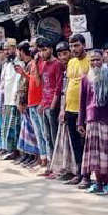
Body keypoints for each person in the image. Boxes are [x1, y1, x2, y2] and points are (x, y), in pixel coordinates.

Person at [77, 49, 108, 193]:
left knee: (107, 153)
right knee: (94, 155)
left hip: (106, 120)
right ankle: (98, 182)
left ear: (103, 60)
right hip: (91, 119)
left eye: (98, 59)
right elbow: (82, 102)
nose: (95, 63)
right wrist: (80, 122)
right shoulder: (85, 79)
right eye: (92, 60)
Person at [49, 41, 78, 180]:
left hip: (73, 107)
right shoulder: (66, 67)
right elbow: (64, 90)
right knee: (63, 139)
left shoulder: (72, 65)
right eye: (60, 54)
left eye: (65, 53)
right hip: (64, 105)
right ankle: (65, 169)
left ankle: (74, 170)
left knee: (73, 141)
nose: (63, 57)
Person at [63, 34, 90, 185]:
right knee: (74, 142)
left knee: (85, 142)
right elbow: (67, 85)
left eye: (77, 45)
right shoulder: (71, 62)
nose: (74, 49)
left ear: (84, 45)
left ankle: (86, 175)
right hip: (69, 107)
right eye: (72, 46)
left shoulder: (90, 61)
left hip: (84, 109)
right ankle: (78, 172)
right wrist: (63, 108)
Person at [37, 38, 65, 176]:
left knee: (55, 137)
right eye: (40, 50)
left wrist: (53, 106)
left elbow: (58, 87)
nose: (42, 53)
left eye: (44, 50)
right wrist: (42, 103)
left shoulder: (57, 64)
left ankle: (58, 167)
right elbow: (43, 85)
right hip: (45, 104)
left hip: (53, 106)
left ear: (51, 49)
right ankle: (51, 164)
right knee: (47, 136)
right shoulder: (42, 64)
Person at [15, 42, 45, 167]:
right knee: (36, 133)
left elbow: (38, 83)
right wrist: (23, 73)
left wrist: (36, 66)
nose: (31, 49)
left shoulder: (41, 63)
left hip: (39, 103)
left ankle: (43, 160)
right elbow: (31, 80)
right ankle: (40, 159)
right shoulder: (32, 63)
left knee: (42, 134)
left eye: (33, 47)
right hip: (31, 102)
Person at [0, 38, 23, 160]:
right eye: (5, 49)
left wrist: (16, 97)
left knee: (15, 127)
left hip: (15, 99)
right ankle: (8, 149)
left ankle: (16, 151)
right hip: (6, 99)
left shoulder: (19, 62)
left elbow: (19, 81)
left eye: (8, 49)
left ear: (14, 48)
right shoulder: (6, 64)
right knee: (7, 125)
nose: (6, 52)